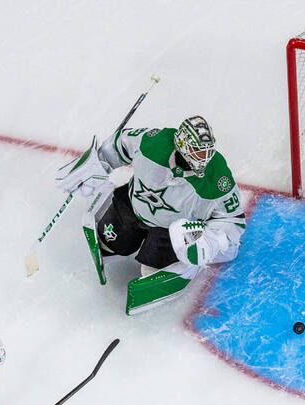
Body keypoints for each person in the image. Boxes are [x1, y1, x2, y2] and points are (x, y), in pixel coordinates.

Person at [54, 115, 245, 315]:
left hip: (170, 232)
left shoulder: (218, 178)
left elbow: (233, 220)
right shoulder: (153, 142)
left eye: (207, 151)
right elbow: (120, 144)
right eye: (198, 152)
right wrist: (96, 164)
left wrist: (212, 241)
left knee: (152, 272)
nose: (204, 158)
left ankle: (173, 258)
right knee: (110, 245)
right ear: (181, 144)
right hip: (132, 208)